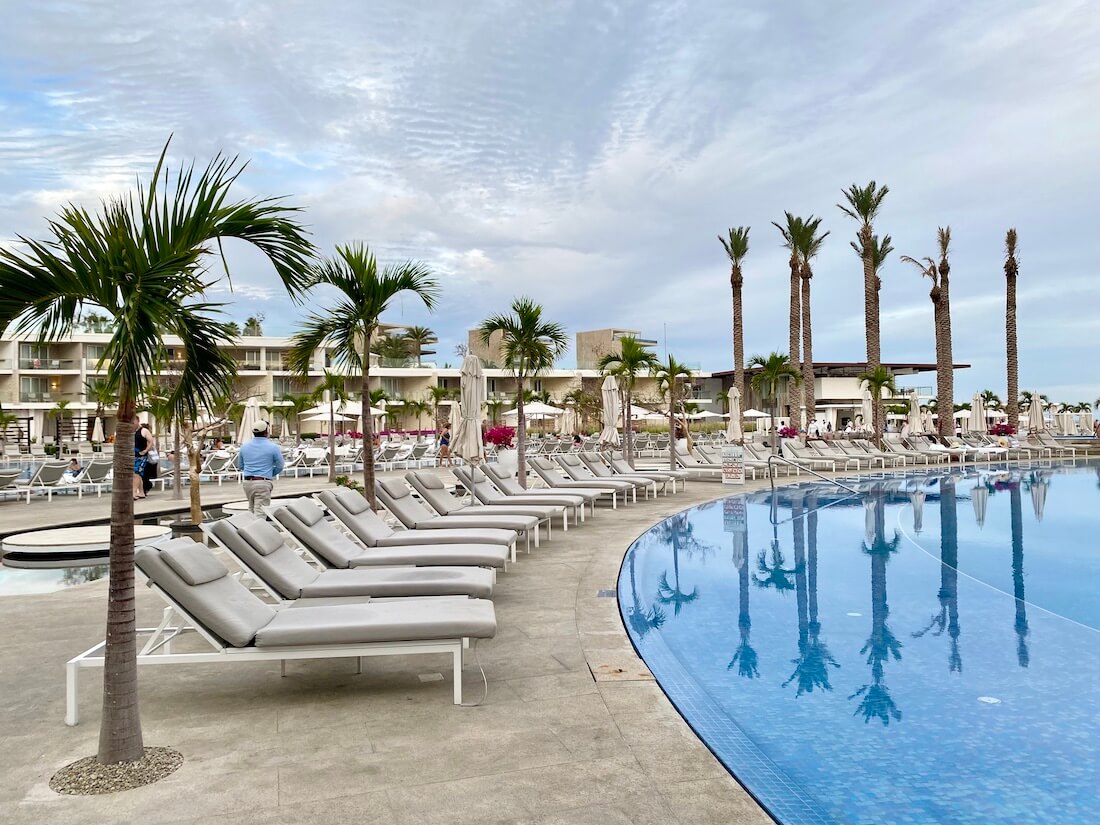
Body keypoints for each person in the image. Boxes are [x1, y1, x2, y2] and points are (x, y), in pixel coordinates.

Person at [239, 420, 284, 515]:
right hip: (263, 482)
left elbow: (240, 465)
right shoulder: (273, 447)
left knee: (251, 510)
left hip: (247, 483)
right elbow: (280, 465)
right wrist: (269, 473)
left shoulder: (244, 446)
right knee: (261, 513)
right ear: (266, 432)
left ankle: (249, 529)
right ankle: (257, 530)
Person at [133, 415, 152, 500]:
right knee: (139, 475)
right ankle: (141, 492)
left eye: (133, 422)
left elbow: (151, 441)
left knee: (136, 474)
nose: (132, 424)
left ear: (138, 421)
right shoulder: (132, 431)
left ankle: (134, 492)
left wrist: (146, 450)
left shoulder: (144, 431)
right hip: (134, 455)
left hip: (142, 456)